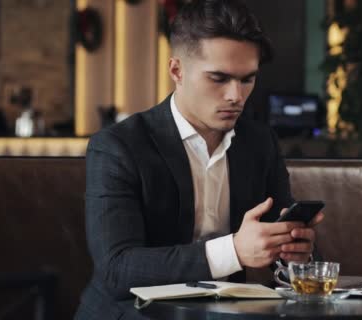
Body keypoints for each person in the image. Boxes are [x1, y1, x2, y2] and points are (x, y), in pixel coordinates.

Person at [75, 0, 324, 319]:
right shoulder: (118, 146)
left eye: (247, 79)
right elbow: (117, 270)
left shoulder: (259, 142)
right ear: (176, 70)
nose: (236, 95)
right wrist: (234, 251)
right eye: (219, 78)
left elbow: (286, 240)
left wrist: (295, 255)